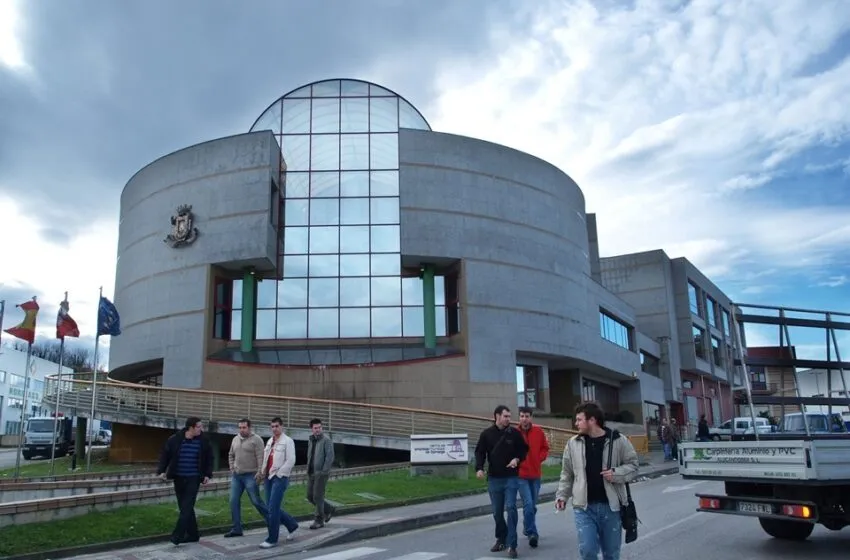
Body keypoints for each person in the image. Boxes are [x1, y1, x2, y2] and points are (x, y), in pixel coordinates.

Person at [555, 402, 639, 560]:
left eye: (579, 419)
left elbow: (634, 465)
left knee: (611, 555)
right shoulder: (573, 444)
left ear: (592, 420)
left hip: (611, 507)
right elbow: (567, 473)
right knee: (588, 551)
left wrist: (616, 473)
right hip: (584, 508)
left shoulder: (617, 440)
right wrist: (562, 496)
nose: (576, 423)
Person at [475, 405, 529, 559]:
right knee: (497, 512)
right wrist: (479, 468)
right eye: (505, 416)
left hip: (511, 477)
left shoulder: (514, 433)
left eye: (509, 416)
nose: (508, 419)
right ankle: (501, 538)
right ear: (497, 416)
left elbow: (524, 450)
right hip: (494, 478)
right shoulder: (486, 434)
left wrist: (517, 459)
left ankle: (512, 544)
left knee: (511, 508)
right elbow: (480, 452)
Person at [156, 417, 214, 546]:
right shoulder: (175, 439)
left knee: (186, 507)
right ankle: (193, 535)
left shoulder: (203, 441)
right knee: (185, 507)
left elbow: (209, 459)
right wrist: (161, 471)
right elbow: (165, 455)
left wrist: (207, 474)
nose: (201, 429)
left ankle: (178, 535)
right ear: (191, 428)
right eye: (199, 427)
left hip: (194, 478)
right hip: (179, 478)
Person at [225, 418, 270, 538]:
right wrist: (231, 466)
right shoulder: (235, 439)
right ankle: (237, 529)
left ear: (249, 427)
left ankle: (271, 521)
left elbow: (261, 457)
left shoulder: (257, 440)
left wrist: (260, 472)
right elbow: (230, 454)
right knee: (233, 501)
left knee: (256, 501)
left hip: (251, 475)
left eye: (244, 427)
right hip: (237, 476)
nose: (241, 430)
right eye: (240, 427)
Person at [259, 417, 299, 549]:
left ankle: (272, 539)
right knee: (271, 507)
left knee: (272, 509)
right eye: (272, 426)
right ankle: (292, 525)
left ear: (282, 427)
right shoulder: (270, 441)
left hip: (279, 477)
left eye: (277, 426)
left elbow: (291, 460)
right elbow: (266, 459)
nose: (274, 429)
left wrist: (280, 474)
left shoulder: (288, 441)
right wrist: (262, 472)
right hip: (268, 477)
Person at [517, 406, 550, 548]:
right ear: (519, 417)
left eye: (527, 416)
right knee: (528, 504)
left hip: (535, 474)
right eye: (522, 416)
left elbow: (545, 448)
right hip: (521, 475)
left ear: (531, 417)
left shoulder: (538, 431)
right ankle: (532, 533)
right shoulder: (514, 433)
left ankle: (527, 524)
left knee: (532, 506)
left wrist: (539, 458)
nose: (524, 419)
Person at [306, 418, 336, 529]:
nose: (318, 430)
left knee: (318, 496)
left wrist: (324, 471)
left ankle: (319, 520)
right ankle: (328, 509)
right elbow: (310, 455)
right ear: (311, 429)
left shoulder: (326, 440)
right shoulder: (311, 439)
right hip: (311, 472)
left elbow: (330, 457)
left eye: (319, 427)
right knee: (309, 496)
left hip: (321, 473)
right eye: (315, 428)